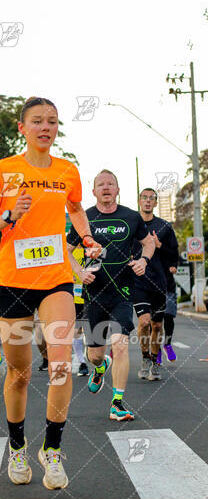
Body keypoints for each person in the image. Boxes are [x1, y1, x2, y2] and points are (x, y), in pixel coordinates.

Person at [0, 96, 101, 490]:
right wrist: (11, 214)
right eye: (37, 121)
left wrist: (87, 236)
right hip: (12, 280)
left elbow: (76, 207)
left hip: (56, 279)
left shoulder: (67, 170)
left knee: (60, 360)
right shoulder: (4, 170)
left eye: (52, 121)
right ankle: (17, 445)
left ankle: (53, 449)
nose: (46, 127)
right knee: (19, 372)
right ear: (22, 128)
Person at [67, 170, 155, 421]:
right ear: (93, 191)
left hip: (122, 293)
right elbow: (66, 250)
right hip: (94, 294)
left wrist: (144, 261)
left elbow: (148, 243)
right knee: (95, 354)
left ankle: (117, 402)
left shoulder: (131, 217)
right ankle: (100, 366)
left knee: (120, 343)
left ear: (118, 190)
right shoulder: (83, 219)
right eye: (100, 185)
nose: (106, 188)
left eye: (111, 184)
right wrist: (79, 272)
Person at [133, 188, 179, 380]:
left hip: (159, 283)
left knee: (157, 326)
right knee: (144, 323)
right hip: (138, 281)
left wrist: (159, 246)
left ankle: (154, 361)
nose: (148, 201)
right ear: (139, 201)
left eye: (152, 198)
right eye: (145, 198)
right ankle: (145, 358)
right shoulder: (132, 224)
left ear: (156, 203)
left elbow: (174, 255)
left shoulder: (165, 227)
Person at [66, 244, 95, 376]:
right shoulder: (67, 250)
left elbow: (98, 269)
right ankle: (81, 362)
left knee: (90, 330)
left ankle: (93, 357)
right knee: (76, 330)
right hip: (74, 297)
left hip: (91, 296)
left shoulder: (92, 249)